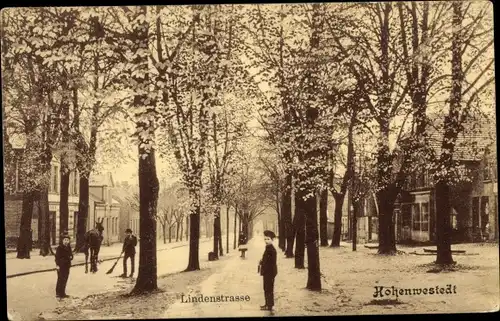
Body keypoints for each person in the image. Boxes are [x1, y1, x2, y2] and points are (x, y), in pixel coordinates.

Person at [258, 230, 277, 311]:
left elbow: (271, 262)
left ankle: (269, 305)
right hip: (268, 272)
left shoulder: (271, 249)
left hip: (269, 272)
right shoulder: (268, 248)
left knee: (268, 288)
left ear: (272, 240)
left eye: (268, 239)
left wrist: (263, 263)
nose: (266, 241)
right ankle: (268, 304)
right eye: (265, 239)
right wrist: (262, 261)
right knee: (266, 288)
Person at [55, 232, 73, 298]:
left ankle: (63, 293)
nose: (66, 241)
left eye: (67, 240)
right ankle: (58, 293)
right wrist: (57, 265)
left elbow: (71, 255)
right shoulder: (59, 248)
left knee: (65, 279)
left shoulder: (69, 248)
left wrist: (71, 257)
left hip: (67, 266)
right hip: (61, 266)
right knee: (60, 279)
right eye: (65, 240)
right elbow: (57, 257)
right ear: (62, 241)